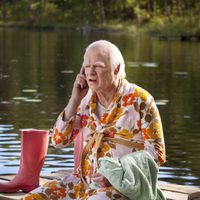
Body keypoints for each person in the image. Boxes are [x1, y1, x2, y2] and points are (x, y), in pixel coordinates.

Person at [22, 40, 166, 199]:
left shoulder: (141, 100)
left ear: (116, 69)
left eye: (97, 66)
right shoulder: (85, 100)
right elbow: (58, 140)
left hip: (122, 187)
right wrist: (74, 100)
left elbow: (157, 152)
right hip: (82, 182)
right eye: (87, 66)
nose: (90, 72)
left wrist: (115, 174)